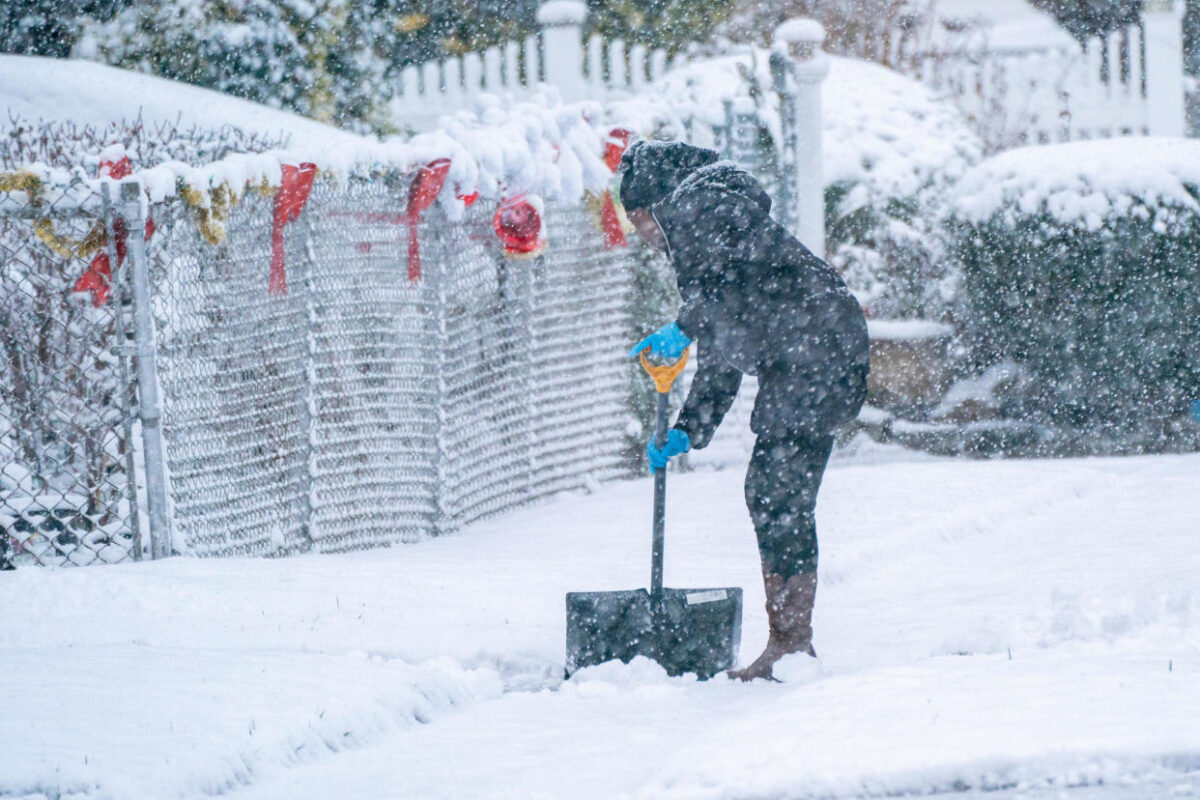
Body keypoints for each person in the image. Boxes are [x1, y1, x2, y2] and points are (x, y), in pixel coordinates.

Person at [619, 140, 869, 681]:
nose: (642, 235)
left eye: (638, 218)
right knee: (776, 493)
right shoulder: (705, 221)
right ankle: (790, 643)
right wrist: (690, 427)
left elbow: (729, 291)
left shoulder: (707, 208)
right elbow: (725, 342)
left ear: (657, 202)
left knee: (778, 493)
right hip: (816, 348)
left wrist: (683, 327)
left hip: (813, 348)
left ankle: (791, 644)